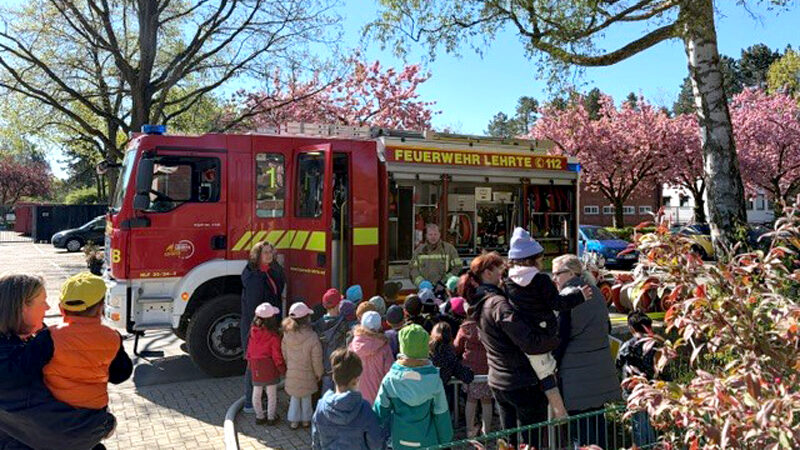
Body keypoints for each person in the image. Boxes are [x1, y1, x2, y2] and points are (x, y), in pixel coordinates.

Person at [0, 273, 116, 449]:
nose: (48, 308)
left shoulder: (35, 339)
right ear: (22, 307)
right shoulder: (9, 366)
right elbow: (60, 430)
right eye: (43, 301)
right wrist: (103, 423)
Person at [460, 252, 557, 448]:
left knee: (510, 441)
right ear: (488, 273)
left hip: (498, 379)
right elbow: (527, 341)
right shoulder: (498, 304)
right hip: (520, 381)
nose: (504, 274)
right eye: (500, 270)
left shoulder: (479, 303)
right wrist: (553, 340)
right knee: (531, 442)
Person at [503, 227, 592, 419]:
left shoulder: (508, 281)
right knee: (547, 376)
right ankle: (559, 415)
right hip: (543, 337)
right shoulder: (541, 280)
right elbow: (557, 304)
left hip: (523, 336)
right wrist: (580, 296)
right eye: (541, 259)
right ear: (532, 259)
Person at [552, 254, 622, 447]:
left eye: (557, 273)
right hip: (599, 368)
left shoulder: (568, 297)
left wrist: (552, 364)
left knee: (579, 431)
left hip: (576, 372)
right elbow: (606, 327)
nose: (554, 278)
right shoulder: (596, 292)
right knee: (597, 423)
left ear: (571, 273)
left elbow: (561, 335)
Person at [42, 272, 133, 410]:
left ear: (62, 309)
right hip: (95, 412)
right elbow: (120, 375)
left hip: (56, 412)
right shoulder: (113, 337)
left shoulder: (48, 336)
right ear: (101, 308)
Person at [373, 324, 452, 449]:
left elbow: (379, 413)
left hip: (400, 441)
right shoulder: (434, 380)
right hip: (428, 442)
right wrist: (446, 441)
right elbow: (441, 414)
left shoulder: (390, 379)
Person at [241, 241, 285, 413]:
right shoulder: (254, 278)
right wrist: (263, 328)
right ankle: (250, 402)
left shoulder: (269, 272)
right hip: (258, 327)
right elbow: (255, 307)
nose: (269, 255)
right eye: (265, 252)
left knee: (264, 362)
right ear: (256, 255)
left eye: (271, 252)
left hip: (268, 324)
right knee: (254, 364)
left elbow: (278, 287)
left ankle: (261, 399)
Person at [311, 349, 386, 450]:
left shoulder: (321, 407)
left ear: (333, 377)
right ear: (356, 380)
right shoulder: (364, 408)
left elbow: (316, 441)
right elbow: (376, 444)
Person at [616, 311, 659, 446]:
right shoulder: (655, 344)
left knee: (638, 423)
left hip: (633, 390)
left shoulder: (628, 346)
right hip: (651, 387)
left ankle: (641, 446)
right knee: (650, 421)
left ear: (631, 328)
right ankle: (652, 446)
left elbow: (618, 363)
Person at [282, 302, 324, 429]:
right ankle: (306, 420)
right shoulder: (312, 336)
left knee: (294, 398)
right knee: (306, 399)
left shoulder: (287, 335)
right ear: (307, 319)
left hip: (292, 372)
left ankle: (294, 421)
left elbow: (284, 353)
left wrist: (289, 366)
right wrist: (319, 373)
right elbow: (316, 359)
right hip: (308, 374)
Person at [454, 306, 492, 438]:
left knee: (471, 399)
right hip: (487, 366)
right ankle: (486, 431)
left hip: (469, 368)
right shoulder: (487, 323)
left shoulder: (465, 327)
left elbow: (456, 347)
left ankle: (470, 430)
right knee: (487, 400)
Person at [246, 303, 285, 425]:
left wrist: (250, 364)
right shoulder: (273, 336)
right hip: (269, 366)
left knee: (256, 392)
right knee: (271, 394)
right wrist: (282, 368)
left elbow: (249, 351)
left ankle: (259, 416)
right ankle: (271, 417)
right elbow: (277, 355)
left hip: (256, 365)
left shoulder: (252, 333)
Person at [348, 311, 394, 405]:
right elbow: (390, 374)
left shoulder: (353, 344)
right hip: (378, 397)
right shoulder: (384, 347)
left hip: (357, 397)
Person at [428, 322, 473, 410]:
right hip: (441, 396)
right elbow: (465, 375)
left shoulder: (425, 350)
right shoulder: (449, 354)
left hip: (423, 393)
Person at [313, 288, 349, 396]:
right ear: (338, 305)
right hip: (339, 364)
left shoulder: (318, 324)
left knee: (326, 393)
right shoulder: (343, 323)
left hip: (324, 365)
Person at [408, 223, 462, 288]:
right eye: (430, 234)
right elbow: (413, 269)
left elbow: (457, 268)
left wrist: (444, 282)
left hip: (444, 289)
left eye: (435, 234)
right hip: (425, 289)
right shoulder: (419, 251)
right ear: (426, 236)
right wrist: (421, 282)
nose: (433, 237)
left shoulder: (449, 249)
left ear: (439, 235)